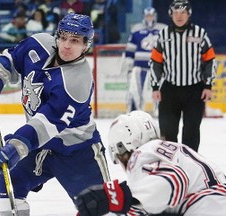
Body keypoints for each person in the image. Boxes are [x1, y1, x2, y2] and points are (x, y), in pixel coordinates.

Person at [0, 12, 110, 216]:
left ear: (86, 45)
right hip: (41, 146)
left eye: (74, 40)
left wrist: (15, 148)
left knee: (97, 207)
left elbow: (46, 124)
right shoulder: (39, 43)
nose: (66, 45)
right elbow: (10, 58)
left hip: (77, 151)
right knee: (10, 181)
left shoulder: (77, 81)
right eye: (63, 37)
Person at [75, 110, 226, 216]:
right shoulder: (172, 150)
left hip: (206, 207)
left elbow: (173, 180)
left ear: (122, 148)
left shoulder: (142, 155)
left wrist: (115, 195)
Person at [149, 0, 217, 152]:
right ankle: (170, 167)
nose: (179, 16)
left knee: (191, 132)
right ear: (171, 15)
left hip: (194, 91)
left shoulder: (200, 33)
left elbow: (210, 60)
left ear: (189, 14)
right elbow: (155, 62)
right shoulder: (163, 35)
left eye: (183, 13)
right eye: (176, 13)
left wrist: (208, 85)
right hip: (169, 90)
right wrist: (155, 86)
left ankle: (189, 166)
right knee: (168, 132)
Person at [124, 7, 166, 114]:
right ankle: (136, 111)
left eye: (151, 15)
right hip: (139, 66)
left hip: (157, 66)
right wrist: (129, 61)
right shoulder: (136, 29)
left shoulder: (163, 29)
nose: (149, 18)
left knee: (160, 90)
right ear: (144, 16)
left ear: (155, 16)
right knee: (136, 90)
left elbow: (168, 48)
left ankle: (160, 110)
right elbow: (130, 47)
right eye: (147, 16)